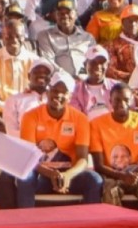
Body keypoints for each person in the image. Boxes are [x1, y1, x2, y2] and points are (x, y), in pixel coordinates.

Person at [17, 74, 103, 207]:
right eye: (55, 91)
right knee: (25, 177)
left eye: (64, 92)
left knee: (94, 180)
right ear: (48, 91)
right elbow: (27, 157)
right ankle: (25, 222)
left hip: (69, 175)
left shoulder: (80, 119)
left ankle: (90, 223)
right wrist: (51, 174)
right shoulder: (30, 116)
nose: (59, 95)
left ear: (70, 96)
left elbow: (83, 159)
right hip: (41, 174)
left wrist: (67, 175)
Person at [89, 82, 138, 212]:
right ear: (110, 101)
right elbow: (98, 166)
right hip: (110, 174)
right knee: (110, 188)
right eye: (117, 100)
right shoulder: (97, 124)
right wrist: (122, 176)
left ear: (132, 100)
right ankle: (115, 227)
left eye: (126, 100)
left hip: (135, 173)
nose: (122, 104)